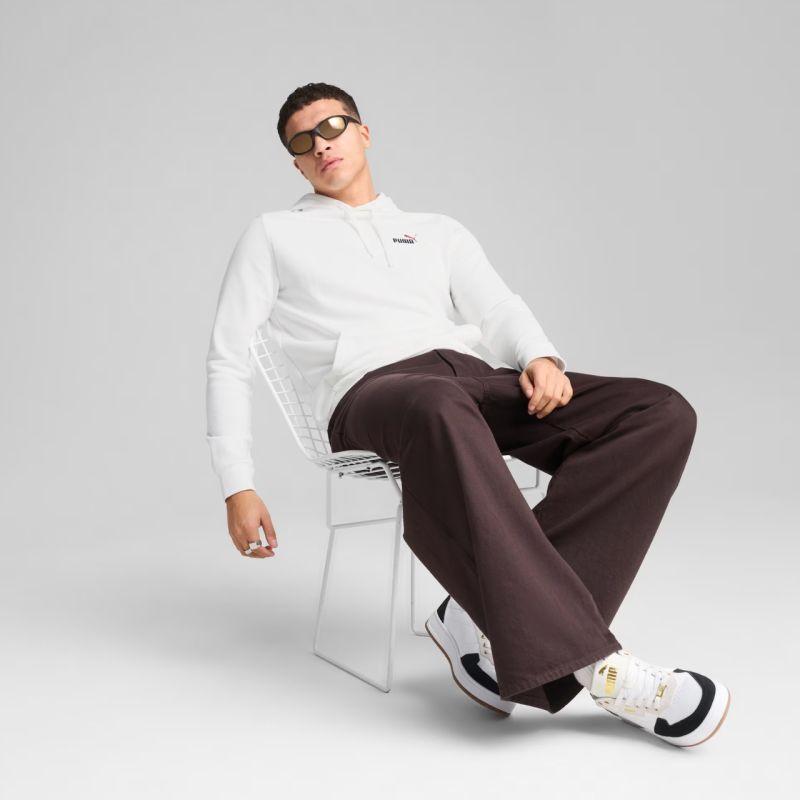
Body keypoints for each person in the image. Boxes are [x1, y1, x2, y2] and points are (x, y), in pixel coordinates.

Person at [205, 82, 730, 746]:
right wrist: (238, 484)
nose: (321, 145)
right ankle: (601, 669)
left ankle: (477, 619)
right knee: (437, 403)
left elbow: (497, 307)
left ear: (363, 132)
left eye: (332, 126)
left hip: (474, 379)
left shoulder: (437, 231)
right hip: (371, 393)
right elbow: (227, 355)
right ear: (296, 163)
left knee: (658, 413)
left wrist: (539, 355)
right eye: (302, 141)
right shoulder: (274, 234)